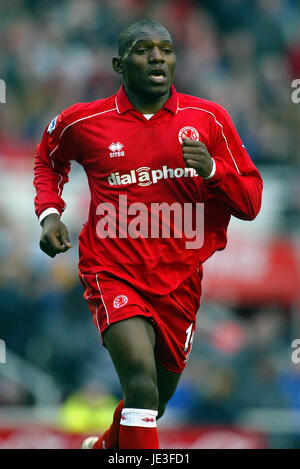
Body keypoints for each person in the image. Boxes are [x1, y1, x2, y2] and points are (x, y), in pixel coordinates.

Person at [33, 19, 263, 449]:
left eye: (166, 49)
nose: (158, 56)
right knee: (139, 385)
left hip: (180, 278)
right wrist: (49, 213)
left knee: (153, 401)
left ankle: (103, 448)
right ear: (120, 64)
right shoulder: (85, 122)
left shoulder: (209, 119)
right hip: (112, 268)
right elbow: (48, 158)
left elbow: (251, 202)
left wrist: (213, 171)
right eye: (144, 49)